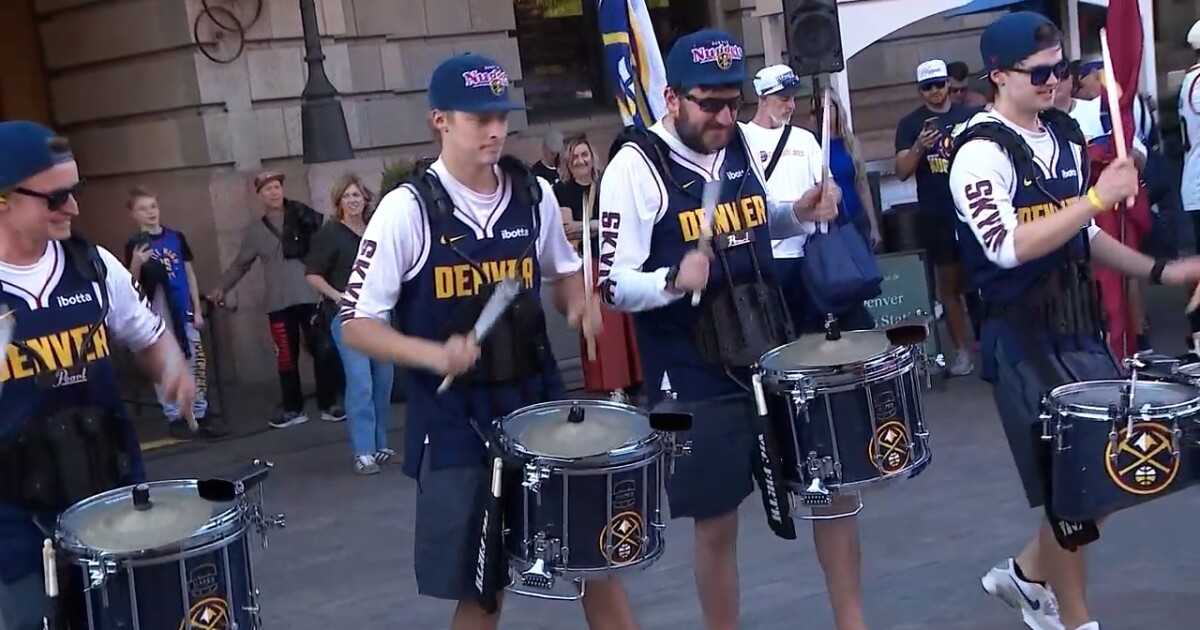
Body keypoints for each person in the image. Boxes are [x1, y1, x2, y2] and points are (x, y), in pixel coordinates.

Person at [339, 53, 637, 630]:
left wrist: (579, 305)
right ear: (441, 120)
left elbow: (562, 273)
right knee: (484, 588)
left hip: (537, 401)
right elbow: (356, 322)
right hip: (456, 419)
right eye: (479, 119)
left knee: (593, 559)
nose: (495, 130)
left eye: (501, 117)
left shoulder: (533, 195)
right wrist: (434, 354)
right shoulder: (407, 210)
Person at [947, 13, 1200, 630]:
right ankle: (1074, 618)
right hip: (1021, 334)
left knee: (1107, 472)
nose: (1054, 81)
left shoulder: (1060, 133)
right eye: (1038, 73)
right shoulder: (979, 151)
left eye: (1059, 68)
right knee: (1076, 486)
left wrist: (1163, 271)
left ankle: (1026, 575)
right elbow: (1007, 246)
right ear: (998, 75)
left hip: (1078, 324)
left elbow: (1081, 235)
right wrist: (1094, 199)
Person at [598, 30, 840, 630]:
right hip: (691, 368)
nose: (725, 118)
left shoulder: (738, 145)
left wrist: (796, 212)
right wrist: (671, 280)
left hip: (766, 342)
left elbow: (756, 218)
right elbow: (610, 283)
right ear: (672, 98)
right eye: (710, 105)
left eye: (733, 103)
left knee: (829, 485)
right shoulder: (635, 166)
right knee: (717, 520)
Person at [0, 120, 196, 630]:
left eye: (77, 190)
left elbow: (148, 337)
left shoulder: (94, 265)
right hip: (14, 522)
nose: (73, 207)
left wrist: (172, 368)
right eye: (56, 197)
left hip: (110, 497)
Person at [740, 63, 871, 629]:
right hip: (772, 266)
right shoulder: (744, 139)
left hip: (811, 260)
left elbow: (833, 190)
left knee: (828, 354)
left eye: (791, 95)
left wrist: (830, 196)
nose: (787, 103)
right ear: (761, 97)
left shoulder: (807, 138)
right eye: (778, 95)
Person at [208, 172, 346, 429]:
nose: (273, 192)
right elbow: (240, 265)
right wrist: (221, 288)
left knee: (323, 351)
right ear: (259, 195)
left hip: (310, 298)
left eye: (276, 187)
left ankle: (329, 403)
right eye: (267, 188)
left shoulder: (304, 218)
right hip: (278, 304)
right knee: (286, 357)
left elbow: (328, 250)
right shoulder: (255, 232)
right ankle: (293, 408)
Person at [304, 174, 394, 475]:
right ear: (339, 202)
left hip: (379, 315)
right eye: (347, 196)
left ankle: (380, 445)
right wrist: (337, 296)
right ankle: (363, 451)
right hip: (347, 317)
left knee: (383, 381)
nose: (353, 200)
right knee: (360, 382)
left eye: (357, 195)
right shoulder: (330, 233)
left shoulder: (375, 230)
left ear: (365, 199)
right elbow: (313, 274)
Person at [123, 186, 228, 440]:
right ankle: (175, 415)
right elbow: (131, 285)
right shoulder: (135, 244)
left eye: (153, 207)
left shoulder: (175, 237)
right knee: (166, 365)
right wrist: (136, 263)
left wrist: (197, 309)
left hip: (183, 309)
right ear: (133, 214)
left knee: (195, 360)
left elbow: (188, 273)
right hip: (157, 312)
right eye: (143, 209)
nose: (151, 213)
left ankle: (200, 412)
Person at [895, 59, 977, 376]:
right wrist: (919, 147)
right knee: (949, 285)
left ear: (948, 84)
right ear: (920, 91)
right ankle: (961, 351)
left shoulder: (968, 116)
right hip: (937, 214)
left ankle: (992, 345)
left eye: (939, 84)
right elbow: (901, 171)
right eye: (927, 87)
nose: (935, 91)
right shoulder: (910, 124)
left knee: (983, 281)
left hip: (973, 210)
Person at [553, 134, 643, 403]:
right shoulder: (563, 191)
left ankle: (636, 381)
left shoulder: (608, 183)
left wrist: (590, 225)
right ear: (568, 162)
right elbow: (568, 231)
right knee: (605, 328)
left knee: (627, 323)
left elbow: (623, 220)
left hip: (617, 260)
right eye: (575, 157)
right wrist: (599, 226)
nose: (581, 161)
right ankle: (614, 387)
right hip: (588, 265)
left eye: (585, 154)